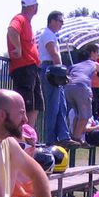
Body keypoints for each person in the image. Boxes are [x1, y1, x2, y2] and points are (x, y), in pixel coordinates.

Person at [37, 10, 73, 146]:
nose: (62, 24)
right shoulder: (47, 34)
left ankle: (63, 135)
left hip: (54, 69)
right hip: (51, 69)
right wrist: (62, 72)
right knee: (53, 106)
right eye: (60, 21)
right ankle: (50, 140)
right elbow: (53, 54)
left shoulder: (52, 35)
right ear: (52, 20)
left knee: (61, 105)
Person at [7, 0, 43, 128]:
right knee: (25, 105)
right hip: (24, 69)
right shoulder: (20, 18)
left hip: (31, 68)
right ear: (33, 7)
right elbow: (12, 30)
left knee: (36, 104)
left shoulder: (27, 22)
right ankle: (21, 135)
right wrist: (17, 47)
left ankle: (29, 134)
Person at [65, 43, 99, 144]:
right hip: (82, 87)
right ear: (91, 54)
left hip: (68, 88)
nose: (97, 55)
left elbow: (68, 74)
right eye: (96, 53)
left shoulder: (75, 65)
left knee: (78, 114)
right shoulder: (93, 63)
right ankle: (76, 139)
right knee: (85, 116)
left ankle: (73, 137)